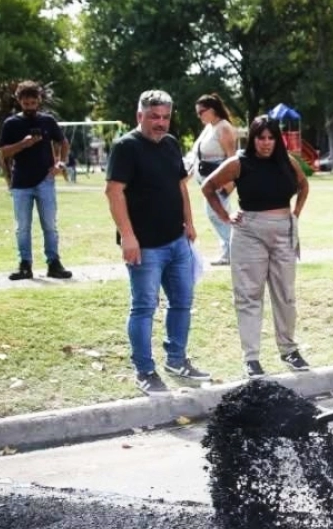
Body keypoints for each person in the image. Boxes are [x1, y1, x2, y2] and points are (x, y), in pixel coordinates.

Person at [105, 89, 213, 395]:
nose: (161, 123)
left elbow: (180, 186)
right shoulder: (125, 147)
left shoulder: (170, 144)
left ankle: (176, 360)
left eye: (165, 117)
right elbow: (114, 192)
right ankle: (145, 371)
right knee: (143, 307)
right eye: (154, 116)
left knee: (182, 302)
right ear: (140, 116)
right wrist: (127, 236)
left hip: (177, 242)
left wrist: (189, 223)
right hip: (145, 247)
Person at [202, 116, 311, 379]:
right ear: (253, 139)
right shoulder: (239, 163)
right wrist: (227, 217)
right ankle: (251, 358)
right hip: (249, 232)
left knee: (285, 294)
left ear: (277, 139)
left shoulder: (288, 162)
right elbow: (209, 187)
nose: (266, 143)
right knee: (249, 295)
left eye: (271, 137)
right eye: (261, 137)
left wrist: (295, 214)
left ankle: (289, 350)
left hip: (283, 229)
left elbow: (303, 185)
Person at [0, 81, 72, 281]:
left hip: (45, 180)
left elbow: (63, 142)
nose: (30, 106)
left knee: (50, 224)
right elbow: (3, 152)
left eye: (33, 102)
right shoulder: (11, 124)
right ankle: (25, 265)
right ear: (19, 101)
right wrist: (24, 144)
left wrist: (61, 164)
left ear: (39, 100)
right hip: (21, 182)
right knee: (23, 226)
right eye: (26, 103)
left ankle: (54, 263)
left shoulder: (47, 121)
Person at [191, 94, 238, 265]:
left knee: (218, 214)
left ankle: (232, 251)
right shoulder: (210, 126)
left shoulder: (224, 128)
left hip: (219, 181)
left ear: (212, 110)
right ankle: (229, 251)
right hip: (208, 180)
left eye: (201, 112)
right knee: (216, 214)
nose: (199, 116)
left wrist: (229, 184)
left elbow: (231, 158)